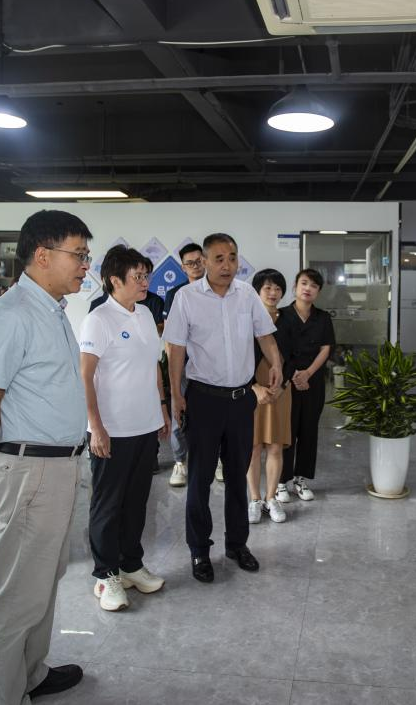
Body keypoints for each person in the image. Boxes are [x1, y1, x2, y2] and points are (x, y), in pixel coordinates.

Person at [0, 210, 92, 704]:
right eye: (78, 254)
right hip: (29, 469)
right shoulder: (13, 315)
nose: (85, 265)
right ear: (42, 255)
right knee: (17, 597)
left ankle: (30, 674)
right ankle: (2, 694)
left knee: (42, 583)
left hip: (56, 467)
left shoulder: (52, 310)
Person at [162, 233, 282, 583]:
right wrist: (176, 395)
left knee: (237, 475)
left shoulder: (246, 294)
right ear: (204, 261)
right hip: (203, 399)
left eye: (232, 257)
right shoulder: (186, 298)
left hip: (241, 400)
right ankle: (199, 549)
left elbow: (265, 335)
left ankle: (237, 544)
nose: (227, 265)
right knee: (199, 479)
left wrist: (276, 362)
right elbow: (175, 349)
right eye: (219, 258)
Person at [79, 245, 169, 612]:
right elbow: (85, 376)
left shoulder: (145, 314)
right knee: (108, 504)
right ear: (115, 280)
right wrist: (96, 426)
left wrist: (162, 408)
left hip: (145, 426)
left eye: (146, 275)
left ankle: (131, 565)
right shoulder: (98, 319)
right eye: (138, 277)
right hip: (112, 430)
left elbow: (154, 365)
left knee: (136, 502)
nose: (145, 282)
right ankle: (106, 575)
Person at [274, 269, 335, 504]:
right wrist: (293, 375)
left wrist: (308, 373)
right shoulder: (282, 315)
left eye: (314, 286)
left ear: (318, 292)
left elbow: (326, 348)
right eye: (304, 283)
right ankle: (281, 481)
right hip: (287, 382)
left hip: (313, 382)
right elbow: (277, 350)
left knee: (309, 431)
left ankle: (300, 479)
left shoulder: (323, 318)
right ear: (295, 287)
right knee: (286, 432)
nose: (308, 288)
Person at [246, 269, 293, 525]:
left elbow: (295, 356)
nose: (273, 293)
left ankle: (271, 498)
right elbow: (239, 357)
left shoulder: (288, 319)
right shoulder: (247, 318)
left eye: (277, 288)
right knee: (253, 447)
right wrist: (254, 387)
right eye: (267, 288)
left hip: (280, 391)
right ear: (257, 291)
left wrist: (282, 385)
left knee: (275, 446)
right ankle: (255, 499)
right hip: (252, 391)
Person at [160, 243, 205, 487]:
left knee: (212, 416)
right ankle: (180, 462)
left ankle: (217, 459)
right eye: (190, 263)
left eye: (199, 260)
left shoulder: (218, 290)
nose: (196, 266)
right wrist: (172, 371)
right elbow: (170, 337)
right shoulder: (175, 294)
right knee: (179, 413)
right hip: (184, 366)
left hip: (210, 368)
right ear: (182, 267)